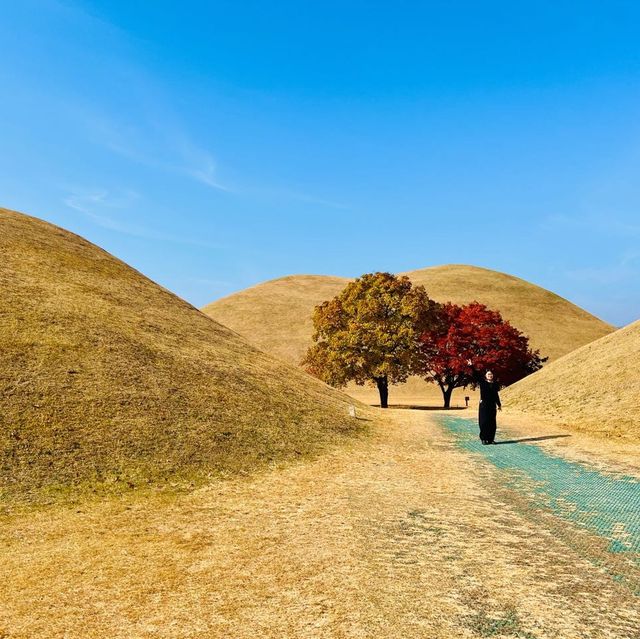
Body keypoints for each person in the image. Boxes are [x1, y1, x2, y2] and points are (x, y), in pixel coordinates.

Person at [478, 370, 501, 444]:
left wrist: (499, 404)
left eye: (491, 374)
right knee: (484, 422)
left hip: (492, 405)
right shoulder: (483, 383)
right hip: (484, 405)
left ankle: (491, 439)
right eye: (488, 374)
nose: (490, 375)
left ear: (492, 375)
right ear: (485, 376)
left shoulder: (495, 384)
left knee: (492, 422)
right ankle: (484, 439)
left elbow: (496, 395)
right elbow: (476, 375)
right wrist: (471, 366)